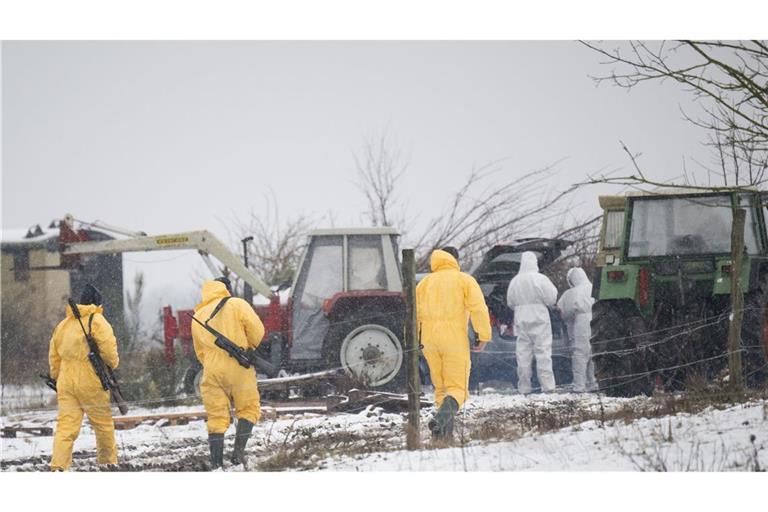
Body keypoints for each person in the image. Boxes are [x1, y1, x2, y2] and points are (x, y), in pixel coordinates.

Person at [416, 247, 492, 440]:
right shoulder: (464, 280)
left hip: (429, 341)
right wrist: (483, 335)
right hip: (454, 340)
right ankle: (440, 420)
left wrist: (415, 340)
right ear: (455, 260)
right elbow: (478, 309)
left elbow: (414, 315)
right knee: (458, 389)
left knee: (441, 388)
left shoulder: (423, 284)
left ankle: (442, 436)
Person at [190, 277, 265, 469]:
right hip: (238, 366)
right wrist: (249, 347)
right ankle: (238, 454)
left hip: (211, 370)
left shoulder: (198, 315)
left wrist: (212, 363)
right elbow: (257, 331)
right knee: (248, 408)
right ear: (226, 289)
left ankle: (216, 463)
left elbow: (199, 351)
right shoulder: (237, 304)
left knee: (216, 416)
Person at [49, 284, 119, 471]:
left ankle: (58, 467)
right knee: (103, 425)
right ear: (97, 302)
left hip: (65, 381)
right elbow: (109, 354)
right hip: (91, 380)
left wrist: (57, 377)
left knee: (65, 428)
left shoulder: (63, 325)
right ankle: (107, 464)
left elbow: (54, 357)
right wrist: (113, 365)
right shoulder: (97, 321)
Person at [506, 251, 558, 394]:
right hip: (540, 317)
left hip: (521, 318)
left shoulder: (515, 281)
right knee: (543, 353)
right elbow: (552, 298)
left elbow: (510, 302)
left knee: (523, 355)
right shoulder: (540, 279)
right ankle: (548, 387)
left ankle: (524, 387)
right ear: (534, 262)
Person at [557, 267, 598, 393]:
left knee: (580, 353)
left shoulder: (572, 293)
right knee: (592, 353)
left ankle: (579, 385)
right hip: (597, 318)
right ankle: (593, 382)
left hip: (582, 322)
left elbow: (564, 311)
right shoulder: (595, 287)